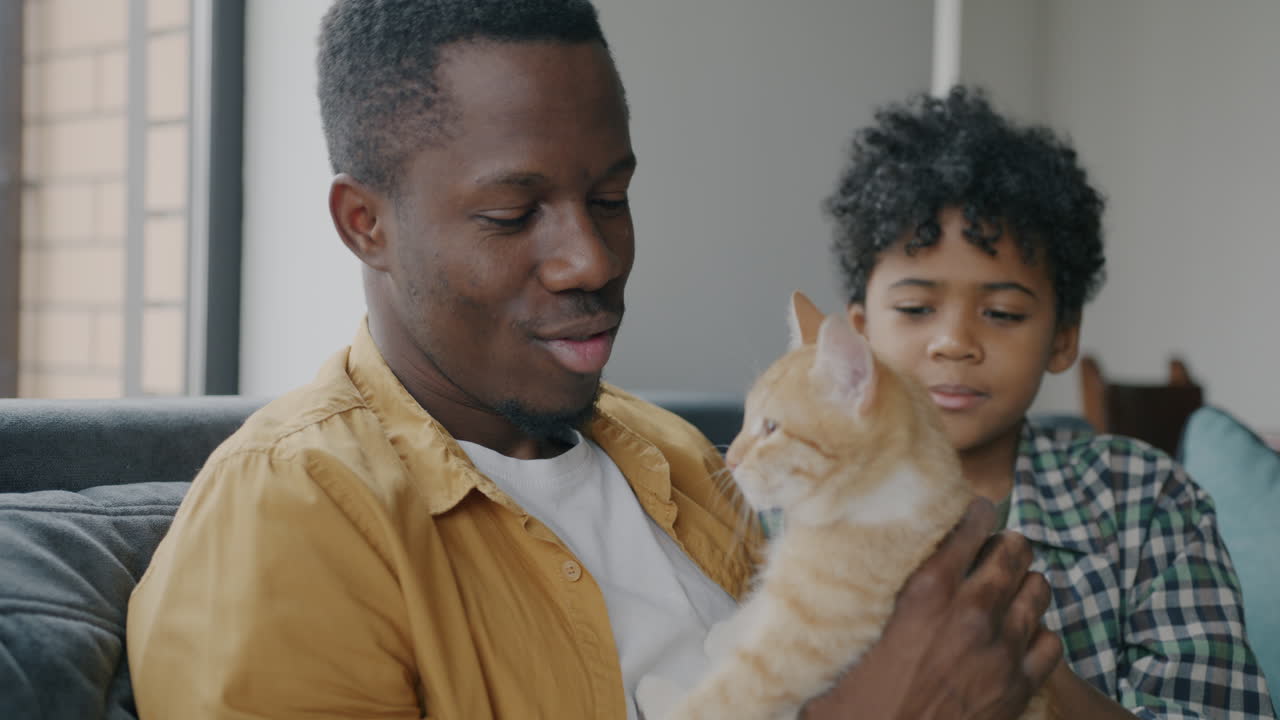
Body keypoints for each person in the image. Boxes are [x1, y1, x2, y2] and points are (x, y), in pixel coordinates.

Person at [126, 3, 1060, 718]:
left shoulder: (679, 458)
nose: (595, 260)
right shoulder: (291, 512)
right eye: (512, 214)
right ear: (365, 224)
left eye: (610, 199)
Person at [826, 86, 1276, 719]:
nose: (954, 342)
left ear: (1063, 339)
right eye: (916, 309)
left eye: (1003, 312)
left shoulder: (1146, 503)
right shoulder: (774, 500)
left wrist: (1026, 667)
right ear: (861, 330)